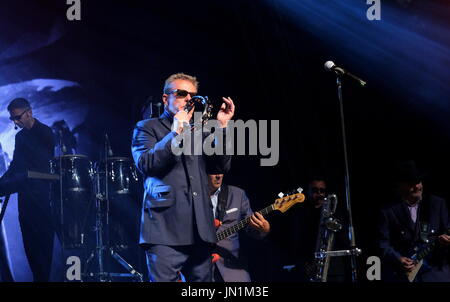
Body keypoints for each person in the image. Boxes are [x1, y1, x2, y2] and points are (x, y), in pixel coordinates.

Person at [131, 73, 235, 282]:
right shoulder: (147, 127)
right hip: (164, 230)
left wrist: (223, 127)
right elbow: (147, 164)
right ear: (165, 99)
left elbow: (221, 166)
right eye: (181, 93)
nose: (189, 99)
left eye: (193, 95)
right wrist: (177, 131)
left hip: (200, 230)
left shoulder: (201, 132)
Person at [0, 98, 55, 282]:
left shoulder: (45, 133)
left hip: (41, 198)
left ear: (29, 113)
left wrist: (15, 178)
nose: (15, 122)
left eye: (17, 117)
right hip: (26, 200)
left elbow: (39, 167)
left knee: (42, 248)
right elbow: (16, 165)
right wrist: (3, 181)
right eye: (13, 119)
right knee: (30, 248)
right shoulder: (20, 137)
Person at [378, 160, 450, 282]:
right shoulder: (388, 211)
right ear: (400, 185)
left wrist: (447, 240)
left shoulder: (437, 204)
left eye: (418, 182)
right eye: (411, 184)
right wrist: (398, 258)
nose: (417, 186)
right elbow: (382, 243)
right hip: (403, 274)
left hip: (435, 272)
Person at [207, 173, 270, 282]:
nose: (219, 176)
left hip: (233, 270)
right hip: (199, 270)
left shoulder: (237, 194)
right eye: (213, 171)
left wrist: (264, 229)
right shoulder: (189, 196)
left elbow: (251, 230)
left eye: (221, 171)